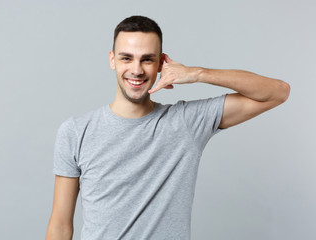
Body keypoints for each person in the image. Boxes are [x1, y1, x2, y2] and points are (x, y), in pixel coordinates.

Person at [46, 15, 290, 240]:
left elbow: (277, 92)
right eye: (126, 57)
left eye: (147, 59)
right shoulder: (76, 131)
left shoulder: (186, 122)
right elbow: (60, 225)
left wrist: (196, 73)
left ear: (161, 62)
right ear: (112, 59)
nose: (137, 70)